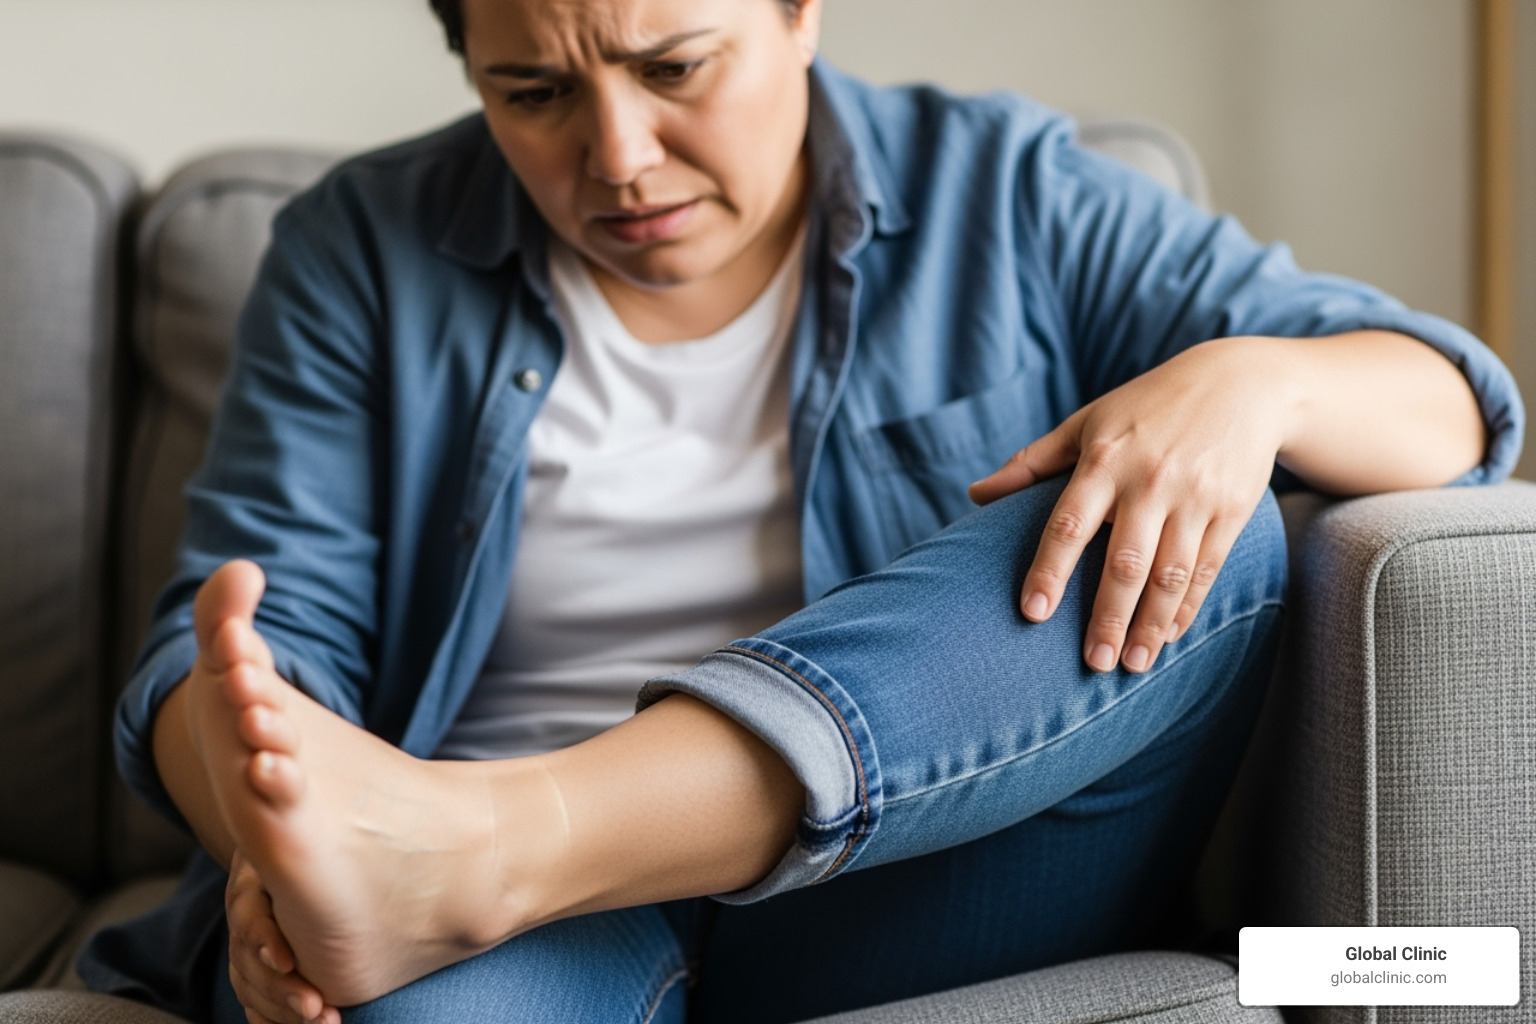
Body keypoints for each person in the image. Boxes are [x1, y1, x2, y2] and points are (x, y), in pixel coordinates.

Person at [81, 0, 1522, 1021]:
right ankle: (441, 863)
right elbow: (234, 655)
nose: (620, 154)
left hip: (908, 887)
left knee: (1205, 525)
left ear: (798, 12)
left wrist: (1252, 380)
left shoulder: (1005, 193)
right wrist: (290, 841)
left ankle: (487, 844)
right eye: (535, 93)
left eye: (677, 64)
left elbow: (1455, 406)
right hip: (518, 935)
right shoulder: (361, 250)